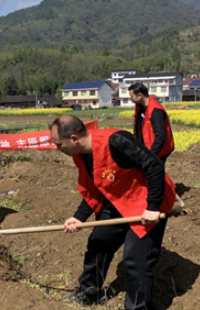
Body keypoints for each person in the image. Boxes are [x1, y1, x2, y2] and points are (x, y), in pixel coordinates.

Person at [49, 115, 176, 310]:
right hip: (118, 201)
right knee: (99, 243)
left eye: (59, 144)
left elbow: (154, 166)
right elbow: (94, 187)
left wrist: (152, 207)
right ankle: (89, 292)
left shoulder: (117, 141)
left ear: (74, 139)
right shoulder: (81, 155)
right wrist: (78, 217)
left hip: (145, 202)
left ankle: (138, 308)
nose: (57, 149)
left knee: (135, 260)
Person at [128, 82, 174, 164]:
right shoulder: (139, 107)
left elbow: (160, 136)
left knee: (155, 174)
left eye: (132, 97)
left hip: (158, 151)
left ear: (140, 95)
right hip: (146, 148)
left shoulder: (156, 111)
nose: (131, 99)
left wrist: (151, 155)